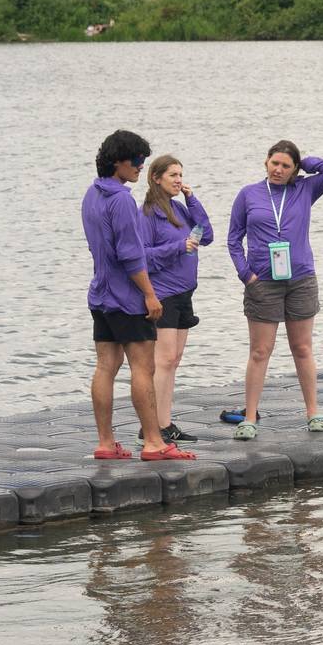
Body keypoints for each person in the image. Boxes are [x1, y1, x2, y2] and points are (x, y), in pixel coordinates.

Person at [81, 130, 193, 462]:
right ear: (118, 161)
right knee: (143, 368)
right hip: (127, 298)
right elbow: (131, 255)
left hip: (99, 294)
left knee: (105, 366)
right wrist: (150, 295)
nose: (140, 167)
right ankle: (155, 443)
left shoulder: (91, 194)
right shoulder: (122, 200)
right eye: (137, 160)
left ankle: (106, 442)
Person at [226, 140, 323, 436]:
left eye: (286, 166)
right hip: (262, 281)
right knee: (260, 351)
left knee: (302, 348)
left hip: (301, 278)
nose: (278, 170)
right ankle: (249, 417)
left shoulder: (304, 189)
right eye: (274, 163)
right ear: (266, 162)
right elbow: (233, 239)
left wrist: (305, 163)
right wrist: (246, 275)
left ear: (294, 169)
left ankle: (313, 412)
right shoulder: (248, 194)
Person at [139, 154, 212, 442]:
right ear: (157, 178)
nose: (179, 180)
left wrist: (192, 200)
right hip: (163, 292)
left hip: (185, 292)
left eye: (180, 175)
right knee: (164, 359)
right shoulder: (146, 213)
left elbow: (207, 234)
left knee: (175, 359)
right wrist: (177, 247)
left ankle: (165, 423)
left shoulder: (180, 209)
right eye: (172, 175)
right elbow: (142, 255)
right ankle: (150, 426)